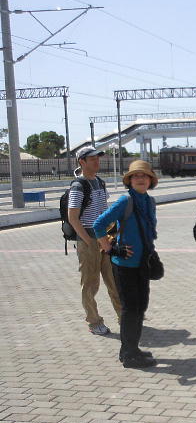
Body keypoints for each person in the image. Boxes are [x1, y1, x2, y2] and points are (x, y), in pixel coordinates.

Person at [94, 160, 159, 368]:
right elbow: (98, 224)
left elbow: (145, 231)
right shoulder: (126, 201)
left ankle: (131, 349)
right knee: (130, 309)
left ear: (150, 180)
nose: (140, 179)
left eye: (144, 175)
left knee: (140, 307)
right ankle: (129, 356)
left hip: (142, 263)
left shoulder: (149, 202)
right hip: (125, 265)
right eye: (135, 176)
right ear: (129, 181)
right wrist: (111, 249)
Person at [67, 146, 121, 335]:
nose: (97, 162)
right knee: (90, 284)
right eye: (92, 159)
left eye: (98, 158)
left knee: (114, 280)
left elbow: (103, 211)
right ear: (82, 162)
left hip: (104, 239)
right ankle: (94, 321)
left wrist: (111, 235)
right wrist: (89, 242)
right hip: (88, 240)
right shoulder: (78, 186)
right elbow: (73, 218)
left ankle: (124, 317)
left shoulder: (100, 182)